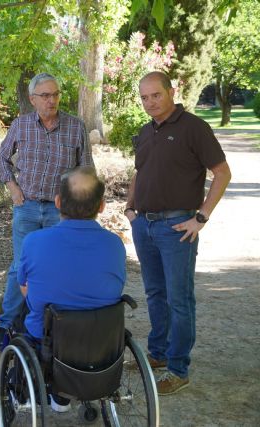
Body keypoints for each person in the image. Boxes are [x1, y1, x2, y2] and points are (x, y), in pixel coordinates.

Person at [124, 71, 231, 395]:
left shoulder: (194, 128)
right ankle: (157, 355)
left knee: (179, 299)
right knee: (155, 294)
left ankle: (178, 368)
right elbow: (139, 171)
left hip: (177, 228)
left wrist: (201, 216)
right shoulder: (145, 131)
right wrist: (130, 209)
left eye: (155, 95)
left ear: (172, 92)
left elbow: (222, 173)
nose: (149, 102)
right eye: (144, 97)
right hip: (144, 225)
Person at [0, 72, 94, 350]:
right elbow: (1, 157)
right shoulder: (21, 125)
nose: (52, 100)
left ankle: (52, 326)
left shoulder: (75, 127)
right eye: (45, 95)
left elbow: (86, 170)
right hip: (26, 208)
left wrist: (81, 209)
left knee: (57, 266)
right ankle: (7, 325)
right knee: (19, 267)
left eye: (56, 94)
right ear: (33, 99)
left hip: (61, 213)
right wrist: (12, 188)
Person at [18, 166, 126, 412]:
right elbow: (115, 288)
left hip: (50, 336)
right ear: (101, 206)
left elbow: (24, 287)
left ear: (57, 202)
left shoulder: (34, 242)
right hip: (102, 338)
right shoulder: (115, 245)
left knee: (27, 310)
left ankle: (55, 391)